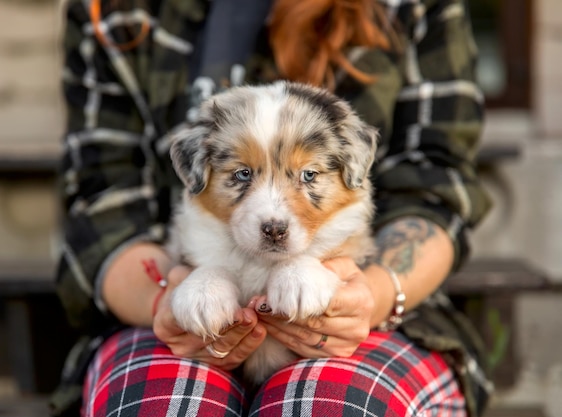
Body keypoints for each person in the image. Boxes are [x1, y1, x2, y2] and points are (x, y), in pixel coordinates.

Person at [49, 0, 493, 416]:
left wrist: (373, 295)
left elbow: (435, 186)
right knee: (165, 404)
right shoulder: (119, 9)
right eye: (242, 175)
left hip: (391, 315)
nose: (275, 215)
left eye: (307, 176)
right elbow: (101, 200)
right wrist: (171, 294)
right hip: (153, 306)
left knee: (326, 403)